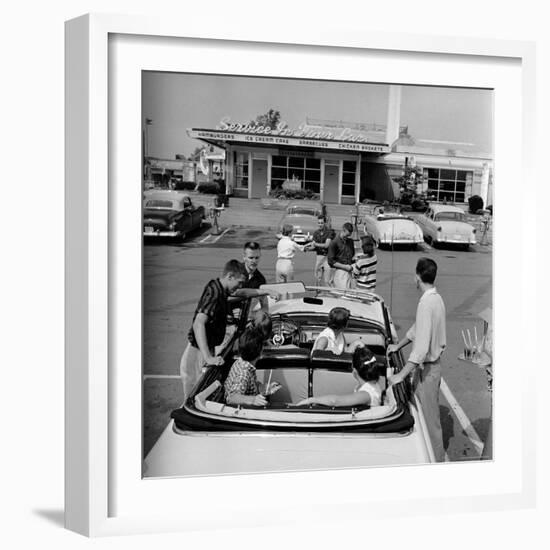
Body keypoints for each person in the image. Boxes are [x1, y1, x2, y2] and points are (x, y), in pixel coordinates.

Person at [387, 257, 446, 462]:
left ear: (417, 277)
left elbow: (420, 349)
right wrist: (399, 345)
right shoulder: (435, 299)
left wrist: (400, 376)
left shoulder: (426, 303)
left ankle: (435, 463)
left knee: (430, 423)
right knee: (424, 418)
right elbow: (417, 329)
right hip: (429, 368)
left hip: (428, 369)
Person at [179, 259, 248, 399]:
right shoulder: (215, 293)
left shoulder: (220, 289)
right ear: (230, 276)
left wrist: (264, 291)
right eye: (239, 282)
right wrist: (208, 357)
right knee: (193, 395)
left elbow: (243, 293)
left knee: (201, 390)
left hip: (205, 348)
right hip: (197, 351)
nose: (240, 286)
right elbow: (199, 323)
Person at [295, 347, 384, 407]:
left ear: (355, 371)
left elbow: (335, 401)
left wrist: (311, 400)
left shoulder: (366, 394)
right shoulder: (374, 384)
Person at [224, 327, 280, 406]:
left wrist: (264, 388)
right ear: (260, 353)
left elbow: (249, 386)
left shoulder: (240, 362)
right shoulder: (244, 373)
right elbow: (231, 398)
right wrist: (253, 400)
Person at [233, 241, 279, 310]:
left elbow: (263, 301)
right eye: (251, 258)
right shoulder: (235, 272)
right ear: (244, 257)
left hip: (247, 316)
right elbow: (232, 294)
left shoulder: (260, 279)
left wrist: (265, 315)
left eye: (257, 258)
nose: (254, 261)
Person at [327, 222, 355, 289]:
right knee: (342, 295)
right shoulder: (334, 243)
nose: (347, 237)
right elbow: (331, 261)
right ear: (343, 230)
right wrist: (344, 267)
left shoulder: (350, 242)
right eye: (346, 235)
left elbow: (352, 255)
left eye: (349, 236)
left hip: (349, 272)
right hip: (339, 272)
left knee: (350, 295)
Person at [308, 216, 335, 286]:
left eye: (322, 223)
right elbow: (313, 246)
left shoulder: (329, 232)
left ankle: (329, 293)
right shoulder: (316, 233)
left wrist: (315, 244)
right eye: (319, 223)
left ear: (325, 223)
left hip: (327, 257)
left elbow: (327, 245)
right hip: (319, 256)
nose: (320, 224)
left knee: (327, 279)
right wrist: (306, 248)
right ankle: (317, 293)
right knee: (317, 278)